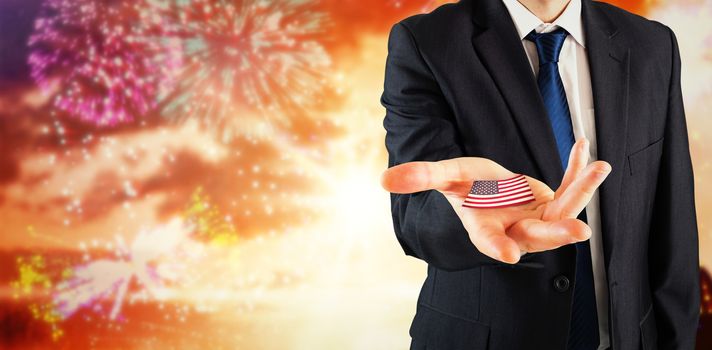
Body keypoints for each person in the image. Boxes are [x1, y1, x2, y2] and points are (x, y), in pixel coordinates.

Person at [379, 0, 700, 349]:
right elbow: (416, 215)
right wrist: (490, 194)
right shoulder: (425, 42)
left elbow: (674, 220)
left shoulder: (652, 45)